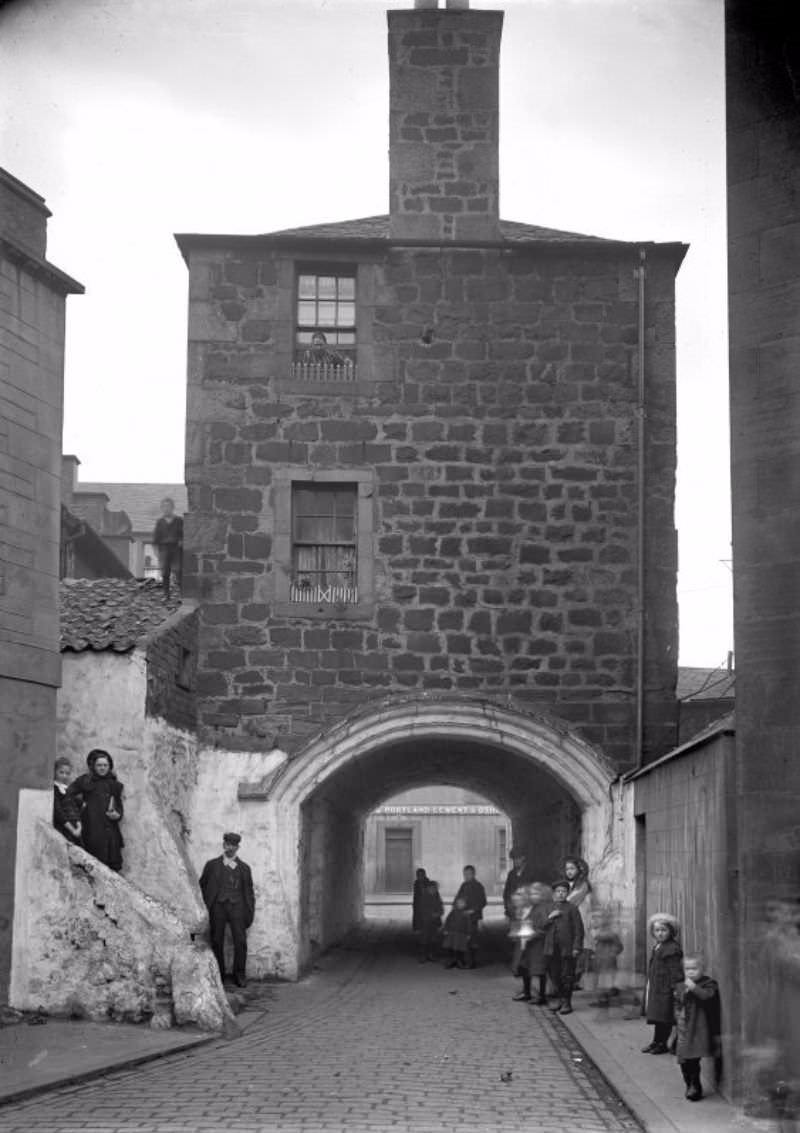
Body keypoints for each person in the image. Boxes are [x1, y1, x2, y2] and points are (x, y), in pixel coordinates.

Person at [199, 833, 255, 988]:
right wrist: (206, 904)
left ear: (237, 847)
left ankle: (240, 974)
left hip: (237, 907)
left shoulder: (244, 868)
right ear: (223, 845)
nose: (230, 847)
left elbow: (249, 892)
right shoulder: (212, 865)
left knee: (240, 941)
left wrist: (249, 910)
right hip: (218, 906)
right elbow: (202, 885)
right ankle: (220, 975)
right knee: (217, 940)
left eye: (233, 845)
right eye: (227, 844)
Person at [673, 953, 722, 1102]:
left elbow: (708, 996)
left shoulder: (708, 983)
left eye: (694, 968)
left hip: (697, 1029)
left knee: (692, 1059)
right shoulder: (681, 985)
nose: (691, 972)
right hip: (682, 1028)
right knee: (683, 1060)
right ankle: (688, 1084)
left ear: (703, 969)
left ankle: (695, 1086)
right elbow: (677, 1003)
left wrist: (694, 988)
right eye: (687, 969)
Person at [66, 749, 124, 871]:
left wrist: (116, 815)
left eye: (105, 765)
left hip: (111, 833)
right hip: (92, 829)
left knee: (112, 868)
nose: (102, 768)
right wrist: (82, 805)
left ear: (109, 766)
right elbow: (68, 794)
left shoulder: (114, 785)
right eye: (99, 765)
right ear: (93, 766)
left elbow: (119, 807)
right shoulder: (85, 781)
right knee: (93, 866)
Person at [641, 912, 683, 1054]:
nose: (660, 934)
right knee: (658, 1018)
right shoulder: (658, 946)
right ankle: (656, 1041)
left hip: (665, 990)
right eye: (657, 930)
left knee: (664, 1019)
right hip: (656, 988)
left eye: (664, 930)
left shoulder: (672, 949)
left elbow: (675, 971)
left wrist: (675, 989)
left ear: (671, 932)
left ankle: (662, 1043)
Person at [544, 879, 585, 1015]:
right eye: (558, 891)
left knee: (567, 976)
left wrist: (576, 947)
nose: (561, 894)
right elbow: (539, 926)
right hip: (551, 949)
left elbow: (579, 930)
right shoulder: (549, 908)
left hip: (567, 949)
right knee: (554, 975)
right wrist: (550, 917)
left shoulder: (572, 909)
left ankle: (567, 1002)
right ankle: (560, 999)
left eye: (564, 891)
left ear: (567, 893)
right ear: (553, 893)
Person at [509, 882, 553, 1004]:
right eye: (532, 893)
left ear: (543, 895)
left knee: (540, 970)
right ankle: (527, 992)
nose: (533, 896)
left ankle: (542, 996)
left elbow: (545, 927)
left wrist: (534, 934)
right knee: (525, 967)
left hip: (538, 945)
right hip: (528, 944)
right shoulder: (531, 908)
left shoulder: (542, 909)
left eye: (536, 893)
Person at [564, 856, 592, 989]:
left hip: (581, 916)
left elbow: (570, 900)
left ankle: (578, 978)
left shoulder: (583, 885)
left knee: (581, 945)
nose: (569, 871)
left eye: (572, 868)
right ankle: (572, 976)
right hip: (571, 917)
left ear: (579, 870)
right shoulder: (568, 883)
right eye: (567, 869)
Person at [587, 907, 624, 1007]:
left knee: (605, 981)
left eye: (598, 918)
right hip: (598, 960)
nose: (595, 920)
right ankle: (601, 999)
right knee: (599, 981)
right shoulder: (595, 931)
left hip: (607, 960)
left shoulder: (609, 932)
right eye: (594, 918)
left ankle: (605, 1000)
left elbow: (619, 946)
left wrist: (611, 954)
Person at [453, 865, 487, 969]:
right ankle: (462, 960)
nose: (466, 876)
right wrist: (456, 906)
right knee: (463, 939)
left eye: (468, 874)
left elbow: (483, 901)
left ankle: (472, 962)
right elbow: (458, 898)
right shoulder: (463, 885)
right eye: (465, 874)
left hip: (473, 918)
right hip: (463, 917)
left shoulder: (478, 886)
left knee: (472, 940)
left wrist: (473, 910)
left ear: (473, 874)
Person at [152, 496, 183, 600]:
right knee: (165, 572)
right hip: (164, 549)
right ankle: (166, 595)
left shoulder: (179, 520)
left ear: (172, 507)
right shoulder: (159, 522)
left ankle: (182, 595)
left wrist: (181, 541)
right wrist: (156, 551)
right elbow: (156, 538)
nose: (166, 508)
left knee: (178, 570)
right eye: (164, 506)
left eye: (168, 506)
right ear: (161, 508)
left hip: (176, 549)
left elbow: (184, 534)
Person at [52, 756, 82, 845]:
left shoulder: (68, 790)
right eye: (61, 772)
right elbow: (59, 813)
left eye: (67, 773)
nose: (64, 776)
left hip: (76, 829)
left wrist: (79, 826)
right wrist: (72, 830)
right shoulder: (54, 790)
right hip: (63, 828)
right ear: (54, 772)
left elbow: (75, 809)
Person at [502, 848, 535, 920]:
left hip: (528, 912)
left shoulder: (531, 874)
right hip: (513, 912)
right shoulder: (511, 874)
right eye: (514, 859)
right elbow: (506, 893)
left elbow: (534, 893)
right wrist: (508, 908)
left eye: (517, 859)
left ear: (523, 858)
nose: (515, 861)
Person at [417, 879, 444, 962]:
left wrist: (439, 913)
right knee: (424, 939)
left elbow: (441, 907)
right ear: (428, 889)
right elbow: (421, 909)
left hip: (434, 922)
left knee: (434, 939)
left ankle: (432, 954)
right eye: (431, 889)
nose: (433, 890)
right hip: (426, 922)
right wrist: (431, 914)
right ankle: (423, 955)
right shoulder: (424, 897)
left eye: (435, 889)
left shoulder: (437, 897)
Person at [442, 896, 472, 969]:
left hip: (461, 934)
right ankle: (451, 961)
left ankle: (459, 961)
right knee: (451, 948)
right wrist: (446, 929)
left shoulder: (466, 913)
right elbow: (447, 921)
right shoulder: (453, 912)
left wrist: (468, 933)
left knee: (460, 948)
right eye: (459, 903)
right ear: (456, 904)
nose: (460, 905)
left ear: (465, 904)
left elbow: (468, 924)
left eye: (462, 903)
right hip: (452, 933)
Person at [412, 868, 428, 934]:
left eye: (421, 875)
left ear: (424, 875)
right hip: (418, 903)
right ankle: (418, 928)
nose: (419, 877)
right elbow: (416, 894)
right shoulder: (416, 883)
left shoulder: (427, 883)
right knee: (417, 915)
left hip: (426, 903)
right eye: (418, 875)